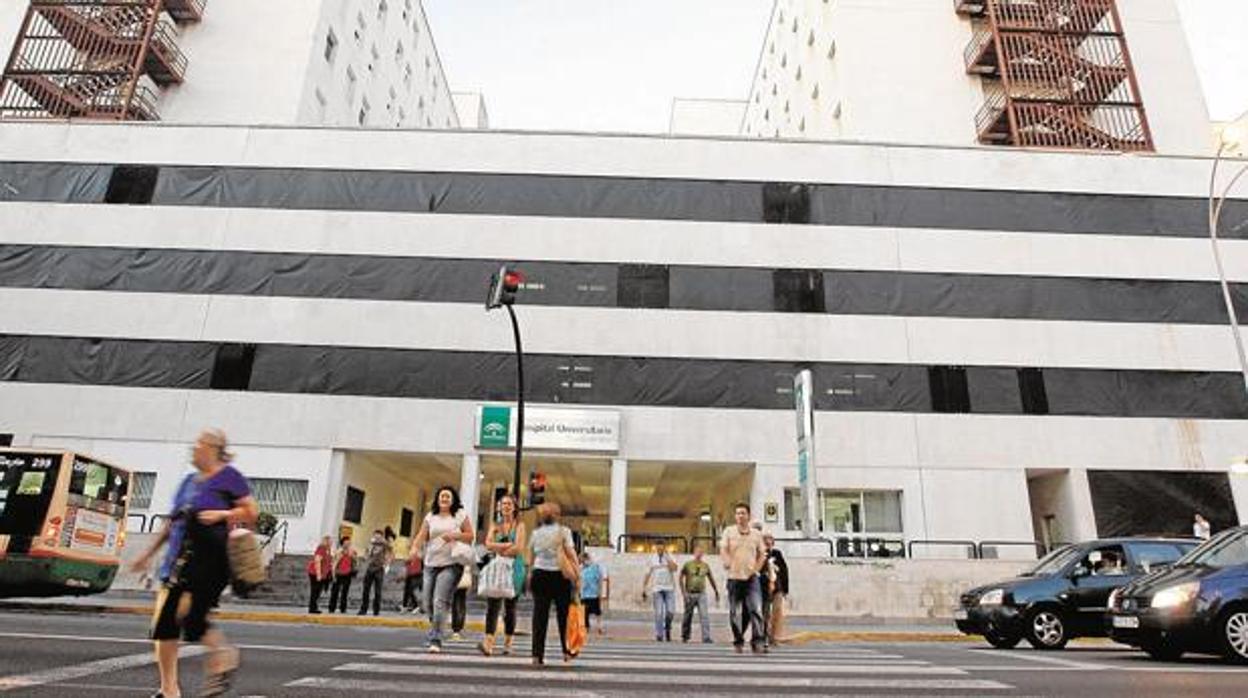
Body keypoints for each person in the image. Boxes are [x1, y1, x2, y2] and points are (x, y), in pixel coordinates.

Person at [130, 428, 258, 698]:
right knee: (165, 626)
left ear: (214, 448)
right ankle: (169, 689)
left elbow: (250, 511)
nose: (194, 448)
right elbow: (172, 522)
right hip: (178, 559)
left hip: (208, 560)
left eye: (200, 444)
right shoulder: (189, 481)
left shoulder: (229, 477)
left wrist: (222, 513)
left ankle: (222, 656)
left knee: (187, 616)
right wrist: (148, 553)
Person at [411, 485, 474, 653]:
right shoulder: (431, 516)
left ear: (453, 499)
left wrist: (454, 535)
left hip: (452, 564)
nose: (444, 499)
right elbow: (421, 535)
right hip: (430, 563)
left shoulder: (460, 515)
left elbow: (470, 536)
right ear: (437, 499)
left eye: (447, 496)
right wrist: (414, 549)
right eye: (441, 496)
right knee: (427, 602)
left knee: (440, 601)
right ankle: (436, 628)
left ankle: (436, 639)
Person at [527, 502, 578, 666]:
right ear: (557, 516)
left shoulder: (535, 533)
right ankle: (567, 652)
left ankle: (537, 655)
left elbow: (531, 557)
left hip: (540, 574)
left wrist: (529, 576)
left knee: (539, 617)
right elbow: (571, 554)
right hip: (560, 576)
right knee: (564, 616)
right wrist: (577, 575)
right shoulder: (564, 532)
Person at [478, 492, 526, 657]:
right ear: (499, 507)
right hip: (498, 567)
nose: (505, 506)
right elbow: (487, 545)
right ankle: (488, 643)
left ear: (514, 508)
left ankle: (508, 643)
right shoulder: (494, 525)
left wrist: (497, 546)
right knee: (492, 606)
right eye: (503, 504)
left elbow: (518, 548)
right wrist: (506, 545)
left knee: (510, 607)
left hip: (515, 569)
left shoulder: (519, 525)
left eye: (509, 504)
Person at [719, 502, 767, 654]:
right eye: (738, 513)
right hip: (734, 577)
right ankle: (738, 641)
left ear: (748, 516)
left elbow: (762, 554)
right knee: (735, 613)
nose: (740, 516)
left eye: (743, 513)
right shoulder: (729, 531)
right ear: (735, 516)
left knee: (756, 610)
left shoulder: (756, 534)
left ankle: (757, 641)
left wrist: (757, 570)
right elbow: (723, 548)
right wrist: (726, 560)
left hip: (751, 579)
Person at [679, 544, 719, 643]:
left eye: (701, 552)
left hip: (701, 593)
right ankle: (685, 635)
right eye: (697, 552)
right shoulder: (688, 564)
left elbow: (711, 578)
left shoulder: (705, 566)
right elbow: (680, 577)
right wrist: (683, 592)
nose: (699, 554)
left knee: (704, 615)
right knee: (688, 615)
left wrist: (716, 591)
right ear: (694, 553)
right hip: (690, 593)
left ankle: (706, 637)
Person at [641, 544, 678, 641]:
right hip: (657, 589)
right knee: (659, 613)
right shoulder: (652, 559)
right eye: (658, 549)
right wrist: (643, 588)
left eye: (661, 549)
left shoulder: (670, 557)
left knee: (671, 611)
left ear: (664, 548)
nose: (660, 550)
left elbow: (674, 569)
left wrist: (667, 558)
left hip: (669, 588)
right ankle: (659, 634)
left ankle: (668, 627)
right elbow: (647, 574)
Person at [357, 529, 393, 616]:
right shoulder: (371, 544)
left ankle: (376, 610)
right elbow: (366, 554)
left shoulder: (384, 544)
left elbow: (390, 551)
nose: (376, 538)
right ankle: (363, 609)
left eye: (378, 536)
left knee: (378, 591)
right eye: (375, 536)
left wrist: (387, 565)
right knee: (366, 590)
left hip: (379, 569)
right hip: (370, 568)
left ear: (381, 536)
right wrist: (366, 556)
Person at [763, 532, 790, 644]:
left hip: (777, 588)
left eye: (770, 540)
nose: (768, 543)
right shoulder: (759, 553)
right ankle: (765, 635)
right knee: (765, 613)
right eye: (765, 540)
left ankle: (773, 636)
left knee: (776, 612)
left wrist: (785, 589)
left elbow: (784, 571)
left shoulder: (777, 554)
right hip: (763, 587)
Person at [580, 551, 609, 636]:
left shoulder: (595, 567)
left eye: (583, 560)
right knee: (585, 613)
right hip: (585, 594)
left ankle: (599, 627)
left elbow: (599, 580)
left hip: (592, 594)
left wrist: (600, 592)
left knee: (597, 612)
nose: (583, 562)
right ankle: (587, 627)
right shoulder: (581, 568)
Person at [328, 535, 356, 613]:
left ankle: (343, 608)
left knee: (345, 592)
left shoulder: (352, 551)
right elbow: (334, 564)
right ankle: (332, 608)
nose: (348, 544)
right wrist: (333, 575)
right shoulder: (338, 552)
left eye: (349, 543)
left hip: (347, 573)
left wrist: (352, 556)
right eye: (346, 542)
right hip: (338, 573)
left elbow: (355, 562)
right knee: (335, 592)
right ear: (342, 543)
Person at [306, 535, 333, 614]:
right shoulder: (321, 548)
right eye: (330, 541)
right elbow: (317, 561)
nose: (332, 542)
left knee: (318, 591)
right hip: (315, 573)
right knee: (315, 591)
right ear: (326, 541)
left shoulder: (328, 550)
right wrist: (318, 574)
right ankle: (312, 608)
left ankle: (314, 606)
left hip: (323, 574)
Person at [451, 564, 471, 640]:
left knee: (456, 602)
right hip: (464, 577)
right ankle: (459, 628)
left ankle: (456, 629)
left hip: (455, 576)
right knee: (461, 603)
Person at [402, 544, 424, 614]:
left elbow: (421, 558)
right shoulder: (409, 555)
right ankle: (404, 606)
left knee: (411, 590)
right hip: (409, 574)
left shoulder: (419, 555)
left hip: (417, 574)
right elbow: (406, 563)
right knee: (406, 591)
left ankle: (416, 606)